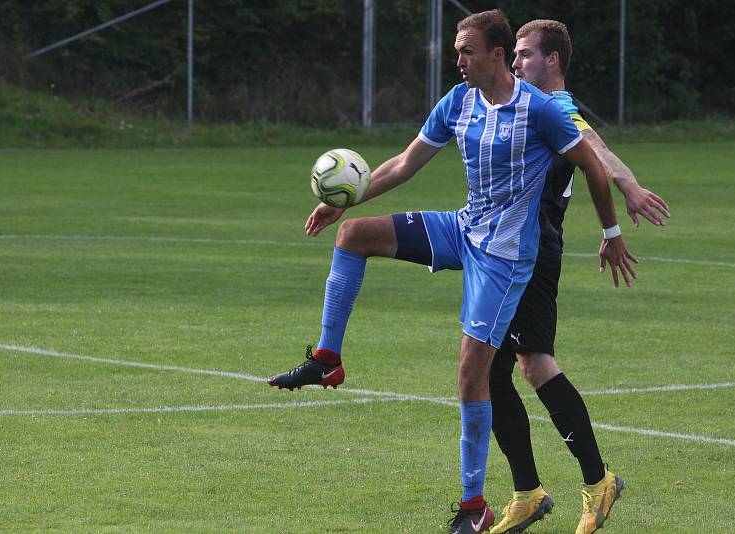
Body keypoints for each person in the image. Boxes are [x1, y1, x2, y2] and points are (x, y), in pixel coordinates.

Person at [267, 10, 637, 534]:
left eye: (466, 50)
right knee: (354, 237)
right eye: (456, 50)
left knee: (476, 374)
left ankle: (475, 506)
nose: (456, 59)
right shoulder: (458, 101)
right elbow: (403, 163)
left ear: (497, 54)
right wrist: (346, 202)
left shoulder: (541, 110)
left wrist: (611, 232)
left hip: (505, 257)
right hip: (463, 228)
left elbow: (595, 164)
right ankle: (327, 359)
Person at [487, 20, 670, 534]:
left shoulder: (558, 106)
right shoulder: (525, 105)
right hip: (503, 252)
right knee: (491, 369)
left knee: (535, 364)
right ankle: (529, 492)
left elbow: (597, 149)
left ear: (552, 62)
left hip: (532, 254)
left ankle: (596, 481)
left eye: (524, 55)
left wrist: (627, 185)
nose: (516, 62)